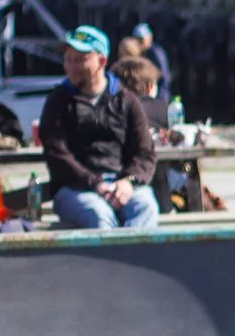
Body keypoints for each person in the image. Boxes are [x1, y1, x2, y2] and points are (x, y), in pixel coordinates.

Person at [38, 24, 158, 230]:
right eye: (68, 59)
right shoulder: (58, 101)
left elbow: (145, 153)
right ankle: (110, 262)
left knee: (146, 207)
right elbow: (57, 154)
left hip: (121, 182)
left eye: (80, 59)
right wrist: (95, 183)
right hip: (75, 188)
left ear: (101, 61)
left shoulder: (126, 101)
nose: (71, 66)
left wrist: (129, 181)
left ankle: (133, 260)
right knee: (99, 215)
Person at [131, 21, 172, 99]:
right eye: (136, 40)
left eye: (141, 40)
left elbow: (164, 75)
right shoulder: (141, 52)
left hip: (159, 94)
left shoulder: (155, 52)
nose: (139, 43)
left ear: (149, 37)